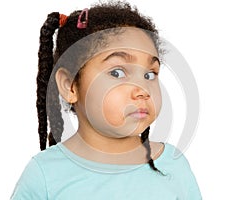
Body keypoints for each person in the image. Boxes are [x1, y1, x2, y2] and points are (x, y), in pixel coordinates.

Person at [11, 1, 202, 199]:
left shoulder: (173, 165)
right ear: (70, 86)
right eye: (117, 72)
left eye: (150, 75)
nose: (143, 90)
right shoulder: (43, 175)